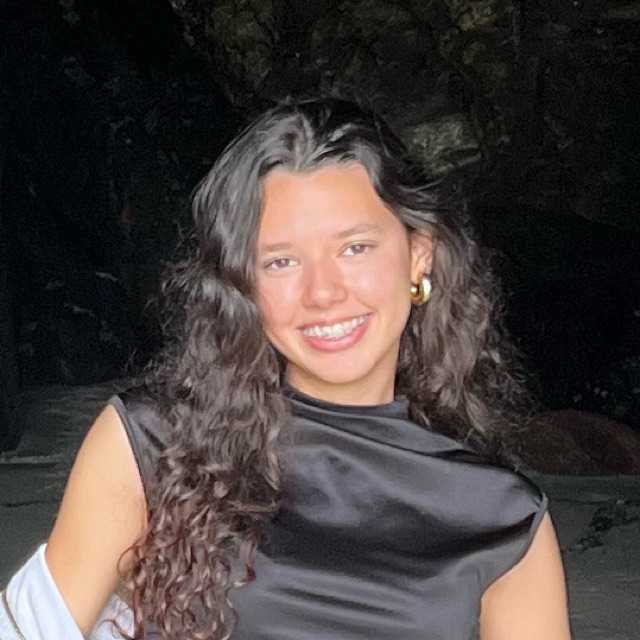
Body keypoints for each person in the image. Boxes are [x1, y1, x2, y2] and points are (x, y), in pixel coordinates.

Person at [1, 97, 572, 639]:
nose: (323, 292)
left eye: (355, 248)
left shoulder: (502, 516)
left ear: (419, 255)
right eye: (280, 261)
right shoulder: (156, 444)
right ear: (242, 283)